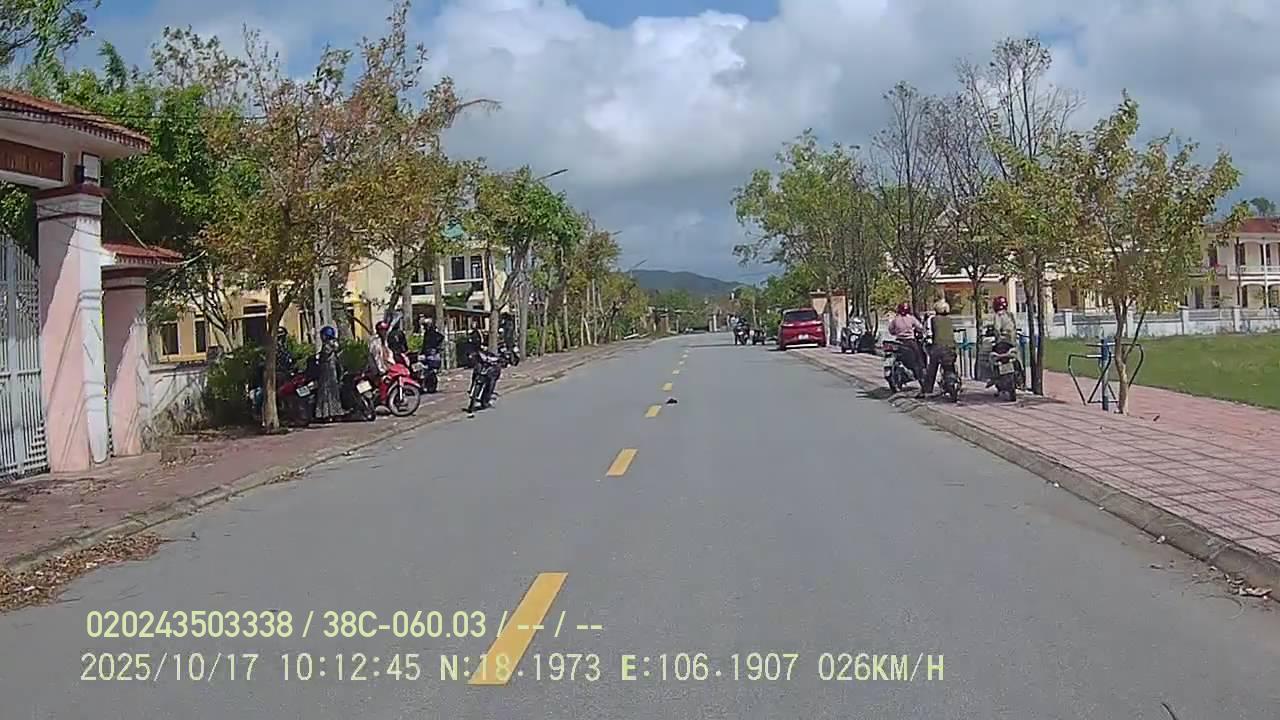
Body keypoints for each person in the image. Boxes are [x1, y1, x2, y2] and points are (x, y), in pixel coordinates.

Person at [919, 300, 958, 398]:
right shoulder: (949, 320)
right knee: (950, 366)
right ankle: (955, 382)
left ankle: (927, 389)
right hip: (951, 347)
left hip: (938, 347)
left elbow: (928, 332)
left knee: (932, 368)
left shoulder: (933, 320)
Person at [887, 302, 925, 380]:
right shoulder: (911, 318)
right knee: (918, 357)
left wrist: (896, 332)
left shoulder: (895, 319)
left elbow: (891, 330)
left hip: (898, 341)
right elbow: (920, 327)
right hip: (910, 341)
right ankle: (921, 373)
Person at [314, 326, 344, 421]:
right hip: (332, 371)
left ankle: (326, 414)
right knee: (333, 392)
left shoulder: (327, 345)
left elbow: (324, 357)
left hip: (327, 371)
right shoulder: (334, 344)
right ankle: (335, 413)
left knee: (326, 392)